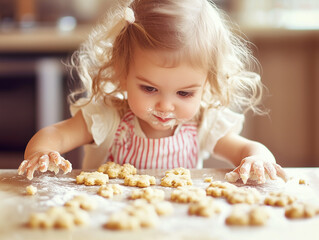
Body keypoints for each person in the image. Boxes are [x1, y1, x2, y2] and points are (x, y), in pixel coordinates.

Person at [18, 0, 287, 184]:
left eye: (184, 94)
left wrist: (258, 160)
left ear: (207, 83)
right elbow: (54, 135)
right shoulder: (108, 118)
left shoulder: (203, 123)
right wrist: (42, 153)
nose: (165, 106)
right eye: (149, 88)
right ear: (122, 73)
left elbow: (248, 149)